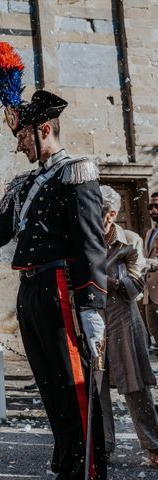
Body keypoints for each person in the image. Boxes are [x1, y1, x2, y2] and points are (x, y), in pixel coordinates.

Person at [0, 43, 107, 479]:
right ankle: (66, 461)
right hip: (31, 288)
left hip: (63, 291)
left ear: (44, 129)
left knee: (73, 385)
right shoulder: (25, 183)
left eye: (22, 136)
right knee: (50, 385)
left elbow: (90, 243)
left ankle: (88, 468)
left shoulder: (77, 172)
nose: (18, 146)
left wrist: (92, 307)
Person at [98, 185, 158, 467]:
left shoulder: (130, 240)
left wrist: (100, 280)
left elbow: (134, 286)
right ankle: (103, 446)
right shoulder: (86, 240)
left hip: (123, 316)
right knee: (96, 387)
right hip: (94, 317)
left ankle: (153, 446)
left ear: (110, 215)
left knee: (135, 385)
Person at [143, 191, 158, 347]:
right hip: (150, 292)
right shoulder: (149, 232)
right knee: (155, 335)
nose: (154, 210)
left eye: (157, 206)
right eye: (151, 206)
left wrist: (146, 263)